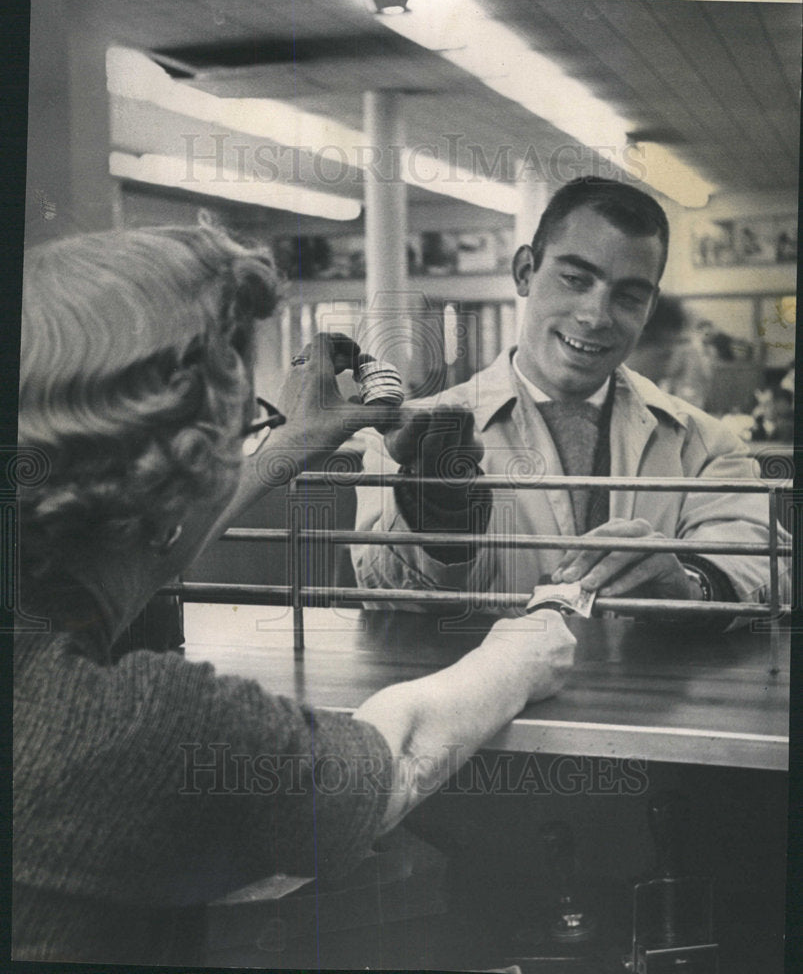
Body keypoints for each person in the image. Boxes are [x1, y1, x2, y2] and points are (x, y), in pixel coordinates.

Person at [14, 225, 577, 964]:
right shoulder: (144, 726)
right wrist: (525, 645)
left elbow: (136, 544)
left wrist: (284, 447)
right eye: (244, 422)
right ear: (188, 462)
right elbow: (389, 764)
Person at [352, 177, 784, 612]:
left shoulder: (704, 445)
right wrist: (437, 525)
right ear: (525, 272)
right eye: (576, 279)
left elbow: (760, 563)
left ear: (649, 308)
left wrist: (692, 586)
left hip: (648, 680)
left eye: (629, 297)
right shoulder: (411, 438)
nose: (595, 316)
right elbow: (384, 598)